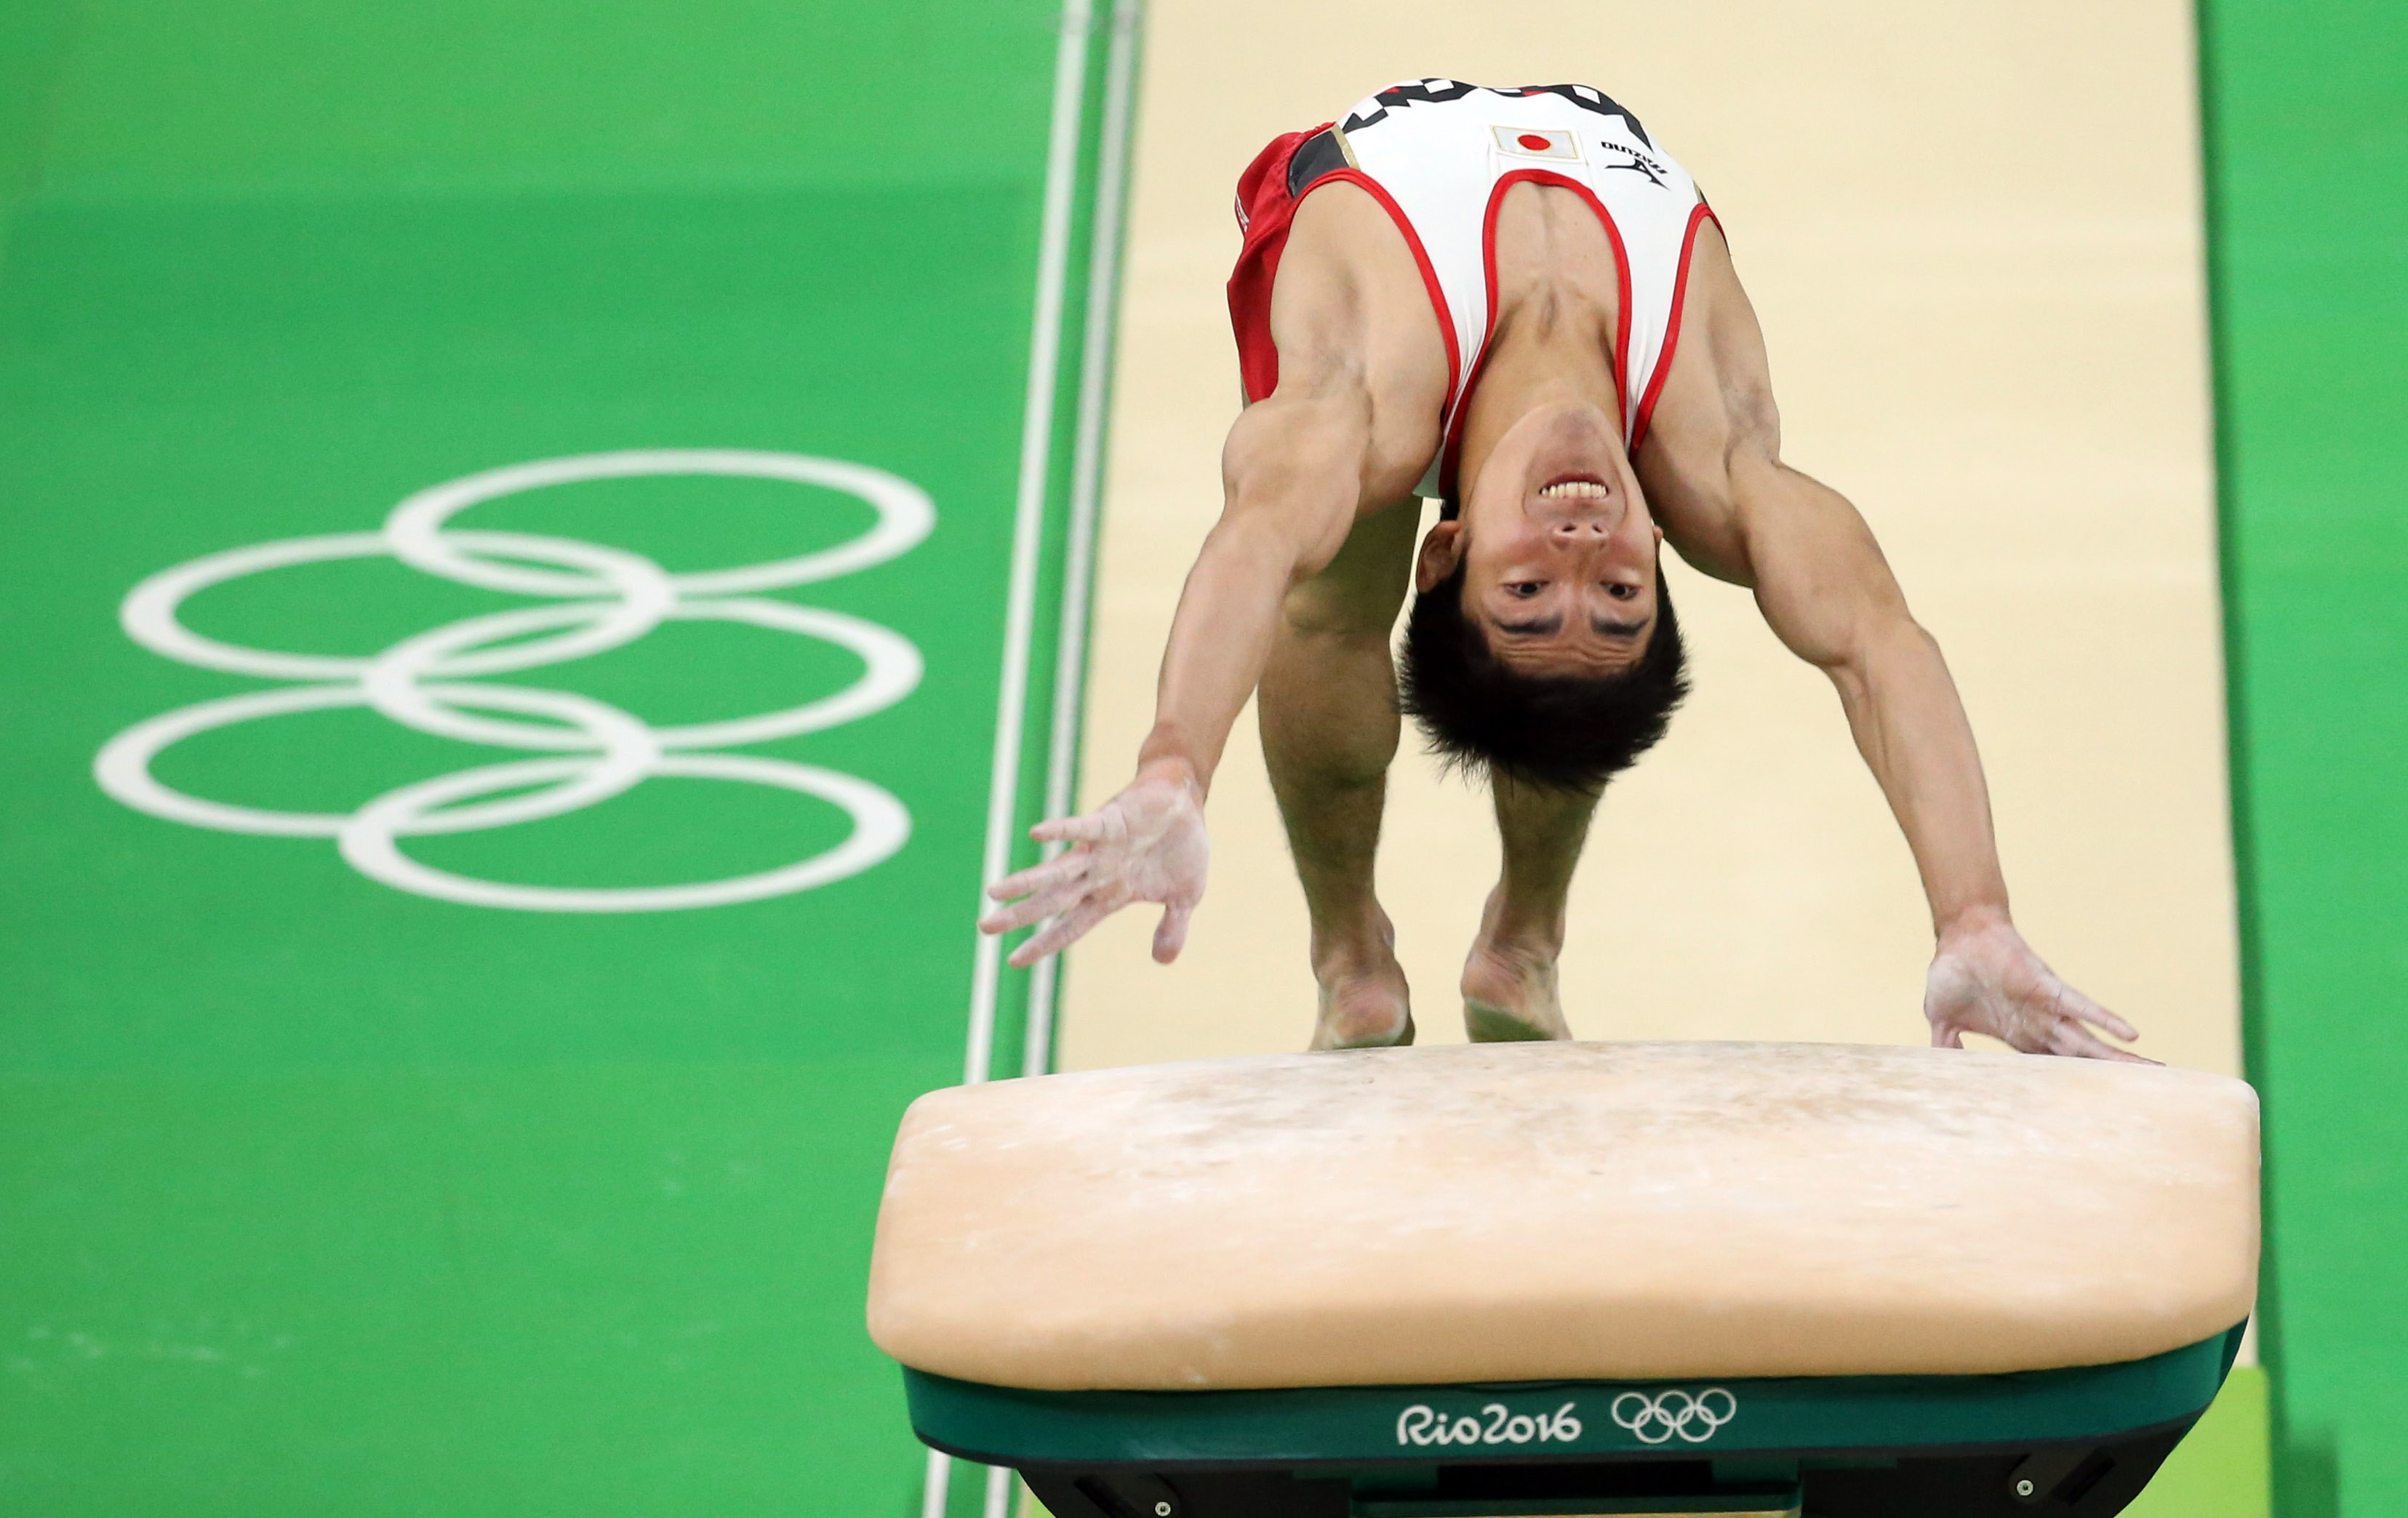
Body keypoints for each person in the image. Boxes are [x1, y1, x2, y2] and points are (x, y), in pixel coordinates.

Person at [978, 79, 2144, 1060]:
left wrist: (1173, 768)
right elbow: (1880, 645)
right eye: (1622, 590)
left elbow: (1255, 533)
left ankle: (1483, 948)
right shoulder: (1715, 462)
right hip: (1553, 217)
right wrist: (1973, 912)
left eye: (1526, 593)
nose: (1582, 552)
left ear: (1450, 556)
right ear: (1662, 558)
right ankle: (1376, 955)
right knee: (1480, 649)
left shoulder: (1368, 410)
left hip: (1364, 230)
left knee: (1334, 566)